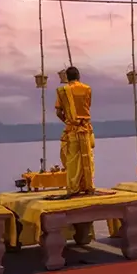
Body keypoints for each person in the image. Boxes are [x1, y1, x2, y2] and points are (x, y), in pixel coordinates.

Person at [55, 66, 95, 194]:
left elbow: (58, 112)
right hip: (86, 128)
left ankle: (73, 188)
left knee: (72, 160)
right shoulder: (87, 89)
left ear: (67, 77)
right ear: (78, 76)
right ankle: (88, 186)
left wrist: (68, 121)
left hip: (72, 129)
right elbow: (87, 106)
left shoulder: (62, 91)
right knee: (87, 157)